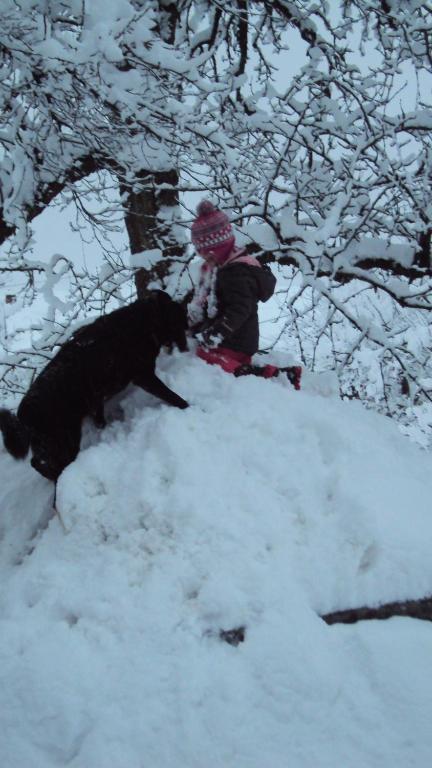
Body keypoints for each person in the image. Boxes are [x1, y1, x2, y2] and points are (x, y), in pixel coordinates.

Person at [188, 200, 302, 389]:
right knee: (201, 353)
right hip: (232, 337)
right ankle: (258, 373)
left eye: (206, 254)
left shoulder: (235, 274)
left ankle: (269, 377)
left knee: (206, 358)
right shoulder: (222, 270)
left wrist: (214, 334)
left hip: (236, 339)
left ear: (217, 250)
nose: (204, 259)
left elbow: (239, 309)